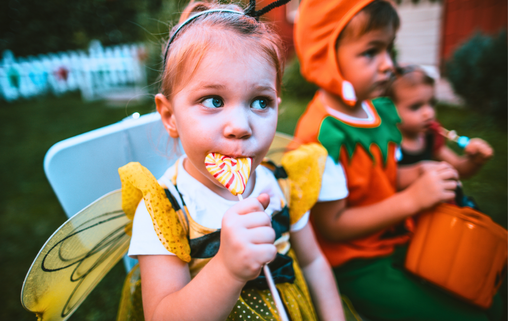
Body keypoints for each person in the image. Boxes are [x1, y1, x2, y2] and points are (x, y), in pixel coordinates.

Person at [118, 1, 347, 320]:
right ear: (170, 116)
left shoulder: (281, 184)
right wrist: (227, 268)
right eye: (213, 101)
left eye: (260, 102)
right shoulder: (166, 211)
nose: (241, 125)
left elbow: (311, 262)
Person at [292, 0, 503, 320]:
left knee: (486, 290)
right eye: (370, 52)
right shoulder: (324, 134)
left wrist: (418, 171)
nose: (388, 65)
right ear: (326, 57)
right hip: (357, 264)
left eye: (389, 49)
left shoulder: (375, 110)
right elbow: (333, 225)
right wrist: (412, 200)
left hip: (397, 238)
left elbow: (382, 176)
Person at [387, 65, 494, 178]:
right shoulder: (388, 143)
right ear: (388, 110)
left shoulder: (429, 136)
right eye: (415, 107)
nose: (428, 113)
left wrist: (474, 161)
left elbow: (458, 168)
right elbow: (388, 179)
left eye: (431, 103)